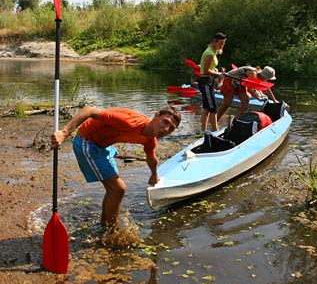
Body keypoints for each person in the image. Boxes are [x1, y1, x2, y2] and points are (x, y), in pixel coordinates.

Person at [51, 105, 181, 232]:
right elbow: (89, 110)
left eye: (171, 128)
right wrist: (64, 133)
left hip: (103, 146)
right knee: (118, 189)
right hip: (87, 141)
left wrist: (154, 175)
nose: (166, 129)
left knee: (114, 190)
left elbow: (151, 157)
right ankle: (111, 232)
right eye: (165, 122)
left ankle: (105, 226)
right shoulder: (130, 122)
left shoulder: (150, 139)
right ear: (156, 116)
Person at [199, 32, 227, 131]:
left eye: (223, 44)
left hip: (208, 81)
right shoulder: (210, 53)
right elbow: (206, 71)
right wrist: (219, 74)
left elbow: (210, 68)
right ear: (215, 42)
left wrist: (216, 71)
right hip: (205, 81)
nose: (222, 45)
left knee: (206, 107)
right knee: (213, 107)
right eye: (220, 43)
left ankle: (203, 130)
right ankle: (215, 130)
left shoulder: (213, 51)